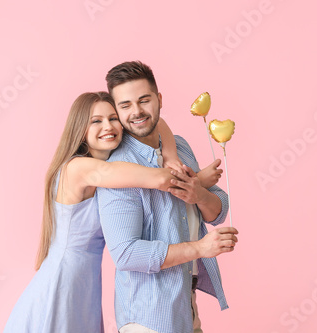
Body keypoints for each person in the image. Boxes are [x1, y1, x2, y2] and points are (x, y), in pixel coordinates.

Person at [3, 91, 217, 332]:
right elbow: (158, 179)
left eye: (113, 118)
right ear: (79, 129)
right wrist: (196, 179)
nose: (107, 126)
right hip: (61, 285)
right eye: (96, 120)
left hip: (85, 284)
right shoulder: (78, 168)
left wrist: (170, 155)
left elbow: (159, 123)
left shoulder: (108, 170)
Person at [97, 61, 239, 333]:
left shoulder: (180, 146)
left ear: (159, 99)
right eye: (125, 105)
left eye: (144, 100)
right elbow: (126, 254)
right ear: (116, 111)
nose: (137, 112)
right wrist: (200, 249)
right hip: (148, 318)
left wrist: (198, 194)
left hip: (186, 305)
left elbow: (218, 210)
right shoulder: (120, 169)